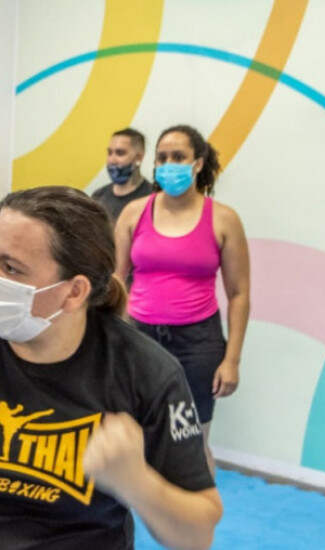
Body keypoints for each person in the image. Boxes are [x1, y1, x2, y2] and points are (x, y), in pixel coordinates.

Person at [0, 186, 222, 549]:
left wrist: (139, 484)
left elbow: (198, 537)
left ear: (74, 292)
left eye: (11, 267)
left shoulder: (143, 370)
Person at [114, 124, 250, 475]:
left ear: (198, 163)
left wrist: (232, 360)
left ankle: (200, 508)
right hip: (139, 338)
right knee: (133, 440)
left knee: (193, 442)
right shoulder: (133, 213)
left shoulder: (224, 219)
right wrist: (110, 339)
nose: (168, 165)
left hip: (198, 343)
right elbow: (114, 281)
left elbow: (239, 294)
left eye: (178, 157)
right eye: (162, 158)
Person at [91, 128, 153, 225]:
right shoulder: (98, 196)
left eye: (120, 153)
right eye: (110, 153)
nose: (112, 160)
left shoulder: (153, 197)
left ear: (139, 157)